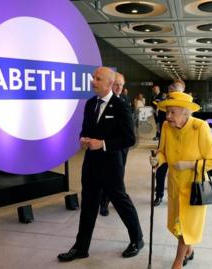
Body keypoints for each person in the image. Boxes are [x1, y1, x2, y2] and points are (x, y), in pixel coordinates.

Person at [58, 67, 144, 262]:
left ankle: (137, 240)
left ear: (109, 84)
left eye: (98, 79)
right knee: (88, 205)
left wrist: (103, 144)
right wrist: (82, 139)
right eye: (93, 78)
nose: (93, 81)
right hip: (90, 165)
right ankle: (81, 247)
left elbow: (130, 139)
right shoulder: (90, 104)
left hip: (111, 166)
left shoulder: (121, 106)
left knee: (121, 203)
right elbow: (84, 130)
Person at [149, 91, 212, 269]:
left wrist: (189, 164)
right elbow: (163, 151)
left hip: (193, 188)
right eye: (167, 111)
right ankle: (189, 250)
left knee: (185, 227)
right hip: (174, 185)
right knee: (177, 225)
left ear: (186, 113)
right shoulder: (166, 126)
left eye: (173, 112)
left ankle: (177, 262)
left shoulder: (200, 127)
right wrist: (158, 159)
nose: (168, 116)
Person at [99, 72, 130, 216]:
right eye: (116, 84)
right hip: (106, 147)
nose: (118, 87)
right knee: (107, 175)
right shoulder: (103, 102)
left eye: (121, 85)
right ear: (111, 84)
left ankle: (113, 200)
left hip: (122, 147)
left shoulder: (124, 100)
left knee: (118, 175)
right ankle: (104, 203)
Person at [153, 80, 186, 206]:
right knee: (161, 171)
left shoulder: (187, 108)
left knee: (179, 173)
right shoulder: (164, 106)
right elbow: (162, 123)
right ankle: (159, 195)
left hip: (182, 146)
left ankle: (179, 196)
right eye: (172, 93)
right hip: (166, 142)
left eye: (177, 93)